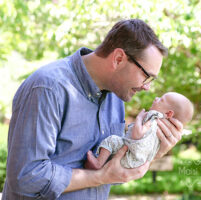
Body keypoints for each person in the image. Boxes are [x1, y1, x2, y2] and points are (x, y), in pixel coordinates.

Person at [2, 19, 184, 200]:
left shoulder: (116, 97)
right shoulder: (48, 88)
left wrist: (152, 151)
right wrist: (99, 177)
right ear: (118, 59)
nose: (147, 87)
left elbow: (115, 173)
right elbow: (27, 177)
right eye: (146, 76)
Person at [85, 92, 194, 170]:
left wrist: (139, 119)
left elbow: (138, 134)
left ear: (169, 113)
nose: (156, 98)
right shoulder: (163, 133)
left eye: (161, 99)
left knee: (112, 140)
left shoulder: (153, 118)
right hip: (136, 163)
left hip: (128, 155)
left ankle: (98, 163)